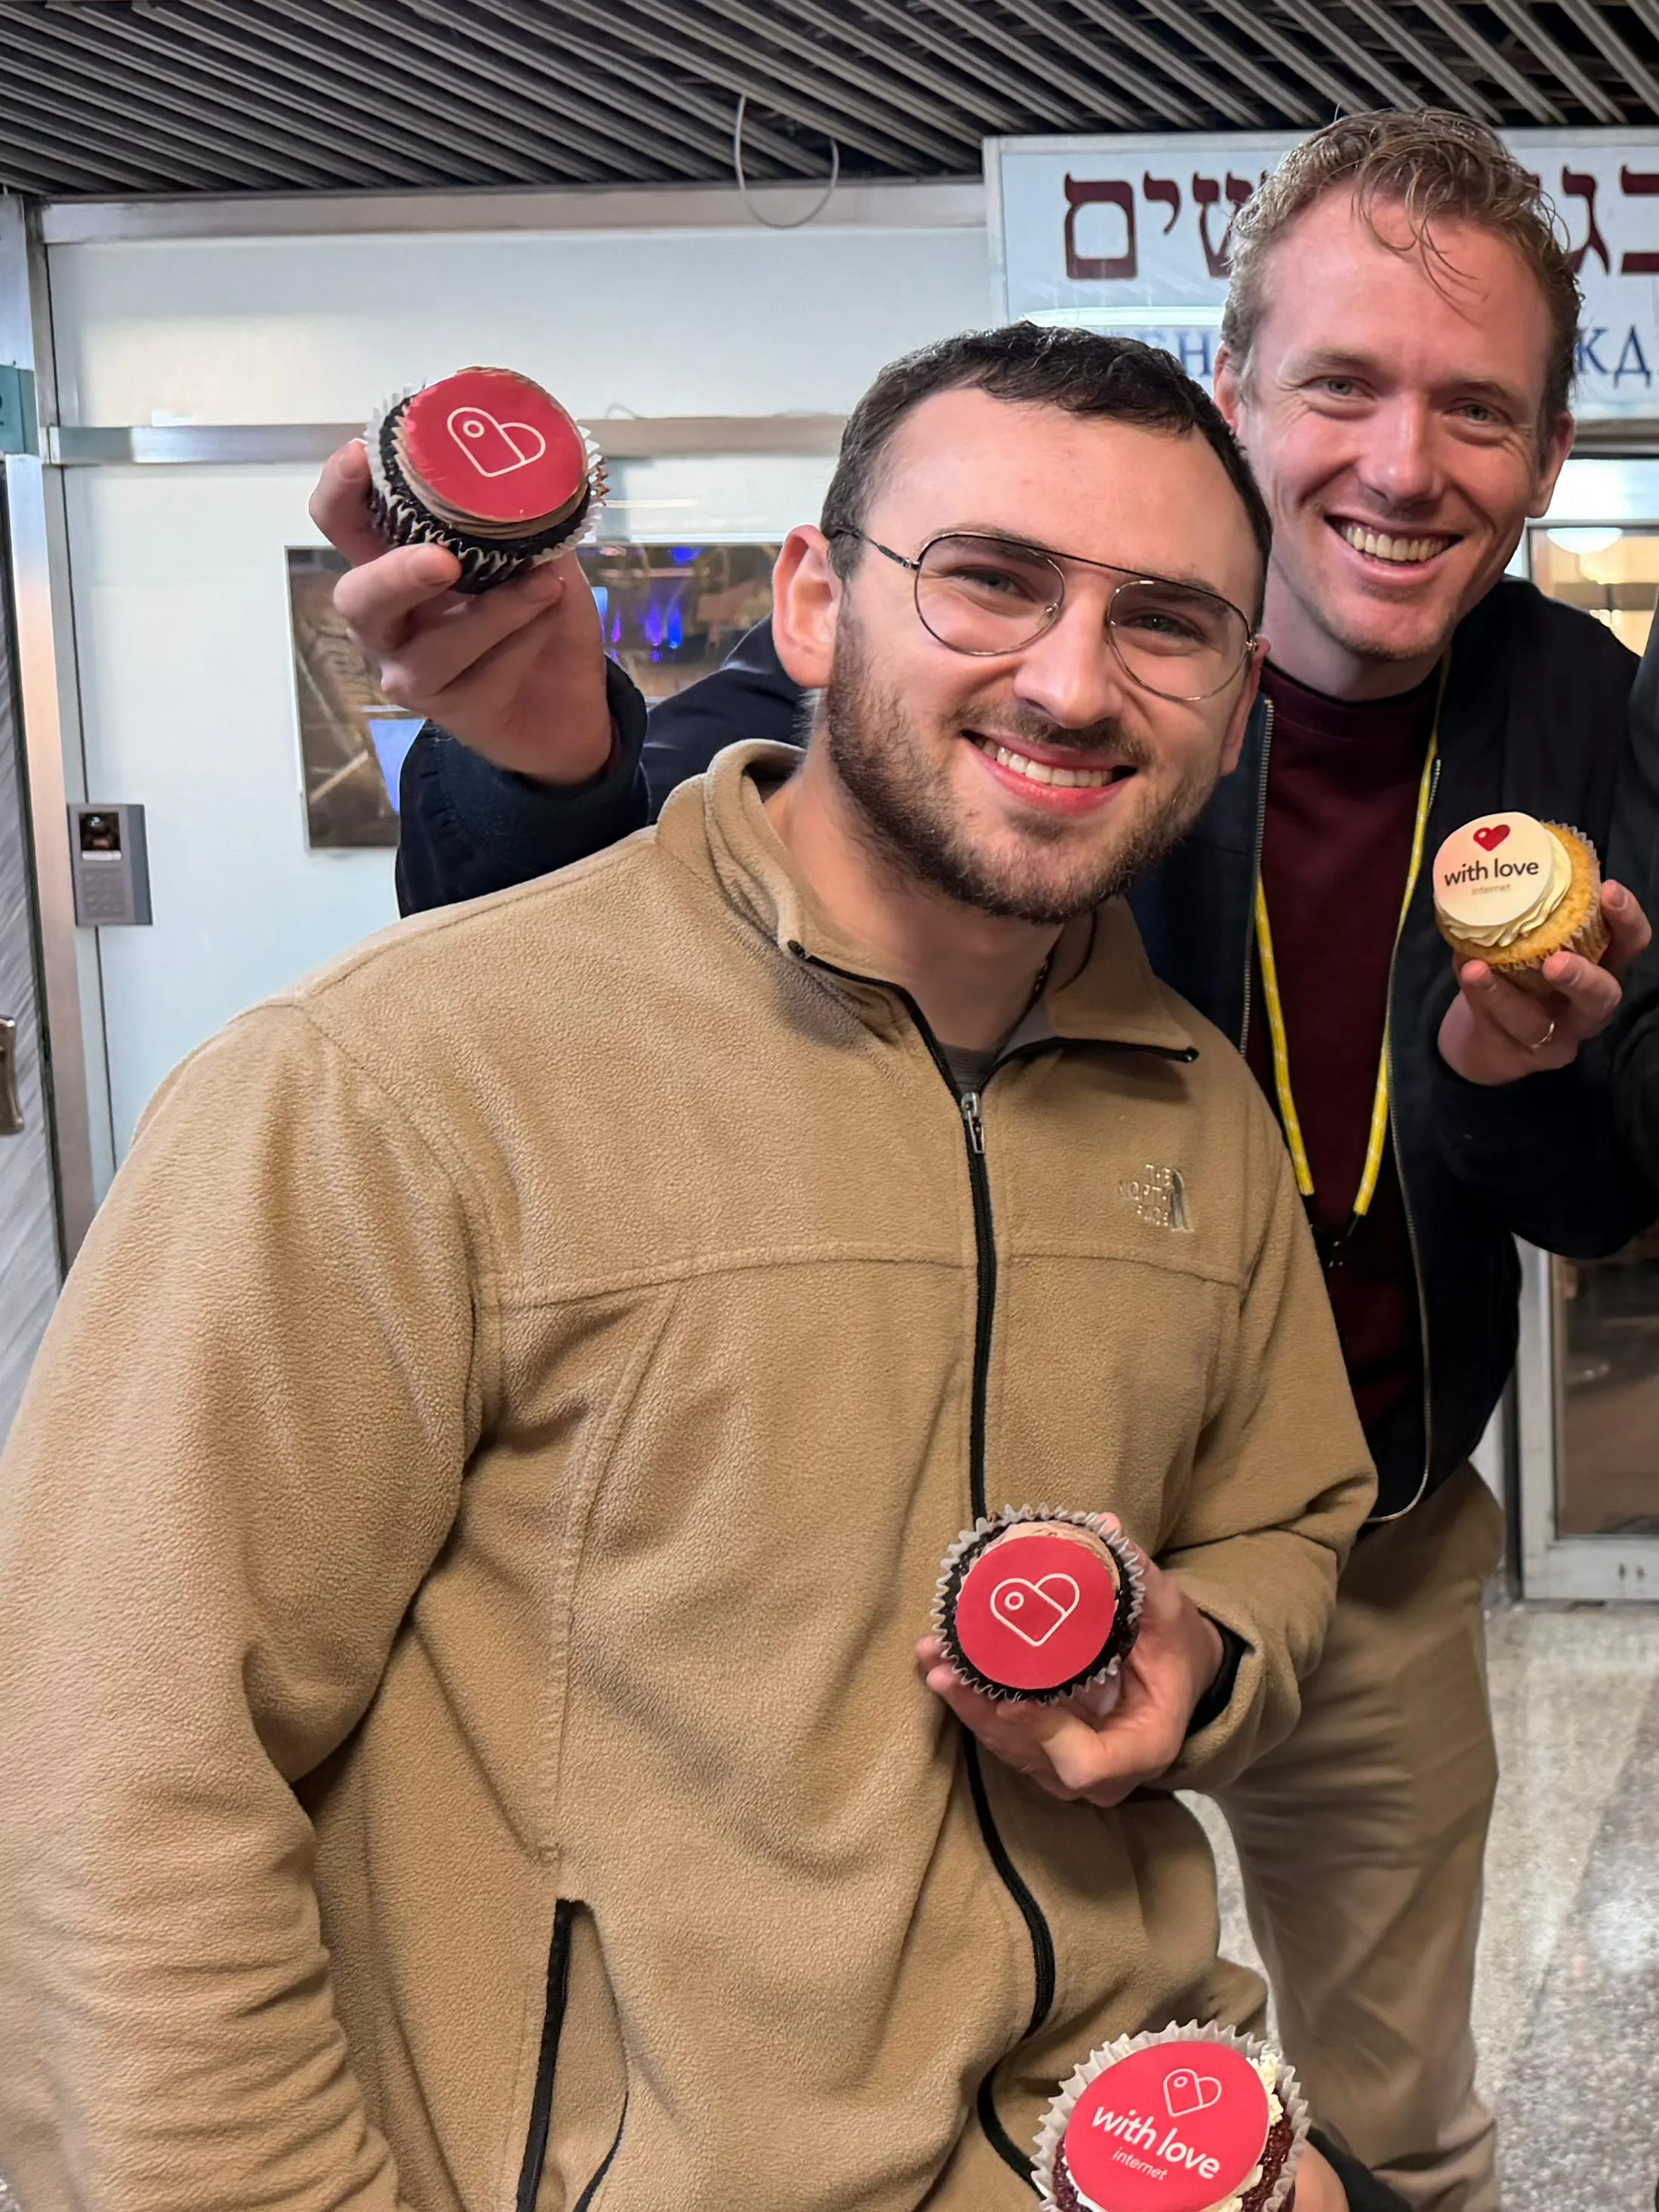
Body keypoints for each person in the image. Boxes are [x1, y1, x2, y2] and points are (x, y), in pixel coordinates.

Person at [311, 110, 1659, 2212]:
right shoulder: (1020, 611)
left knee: (1392, 2119)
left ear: (1545, 457)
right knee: (906, 2070)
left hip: (1352, 1530)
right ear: (1231, 397)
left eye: (1470, 407)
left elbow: (1601, 1188)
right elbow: (689, 854)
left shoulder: (1579, 713)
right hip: (913, 1535)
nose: (1401, 463)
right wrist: (538, 752)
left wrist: (1504, 1077)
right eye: (1337, 384)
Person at [0, 332, 1376, 2212]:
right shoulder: (396, 1082)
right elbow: (99, 1775)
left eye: (1167, 623)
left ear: (1232, 702)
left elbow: (1288, 1519)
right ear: (810, 604)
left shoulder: (1199, 1111)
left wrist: (1199, 1651)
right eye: (988, 577)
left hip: (1109, 2137)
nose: (1071, 678)